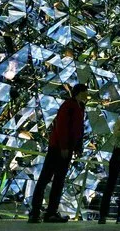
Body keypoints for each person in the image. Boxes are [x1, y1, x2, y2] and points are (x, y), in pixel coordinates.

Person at [29, 84, 88, 223]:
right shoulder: (69, 105)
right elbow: (61, 126)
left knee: (59, 181)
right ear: (79, 92)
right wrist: (63, 146)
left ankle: (50, 213)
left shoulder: (80, 107)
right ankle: (35, 212)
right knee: (45, 178)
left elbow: (78, 130)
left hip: (67, 148)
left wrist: (77, 147)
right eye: (86, 92)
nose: (87, 95)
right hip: (58, 148)